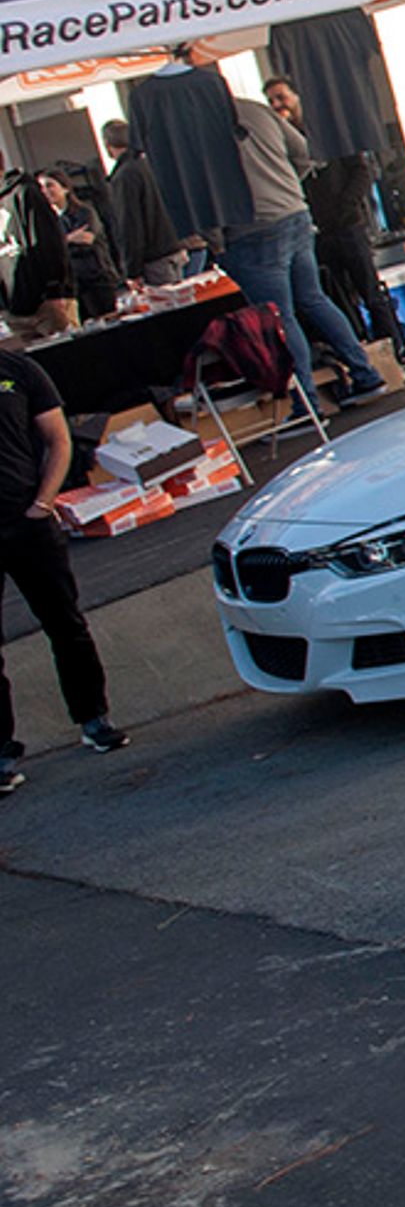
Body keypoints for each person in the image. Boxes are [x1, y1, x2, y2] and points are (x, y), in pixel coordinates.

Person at [0, 346, 128, 792]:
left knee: (65, 623)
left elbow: (58, 438)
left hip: (27, 521)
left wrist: (44, 502)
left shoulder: (17, 370)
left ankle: (94, 718)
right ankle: (2, 752)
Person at [218, 87, 386, 414]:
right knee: (313, 299)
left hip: (254, 228)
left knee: (280, 317)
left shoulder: (202, 131)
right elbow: (306, 153)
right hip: (294, 215)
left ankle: (306, 403)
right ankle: (366, 373)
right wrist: (287, 185)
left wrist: (215, 239)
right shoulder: (256, 110)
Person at [266, 78, 398, 347]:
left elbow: (361, 170)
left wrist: (346, 205)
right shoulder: (280, 142)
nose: (278, 105)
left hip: (347, 225)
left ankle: (394, 346)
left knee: (370, 291)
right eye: (272, 101)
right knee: (337, 297)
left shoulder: (329, 132)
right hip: (315, 231)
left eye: (282, 97)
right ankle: (363, 348)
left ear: (297, 95)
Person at [100, 118, 185, 285]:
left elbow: (129, 224)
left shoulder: (124, 176)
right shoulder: (151, 165)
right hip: (175, 246)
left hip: (154, 256)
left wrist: (132, 270)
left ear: (107, 144)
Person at [31, 172, 118, 321]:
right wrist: (69, 239)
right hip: (73, 286)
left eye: (49, 185)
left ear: (65, 188)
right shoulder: (50, 222)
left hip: (97, 279)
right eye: (41, 188)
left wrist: (61, 243)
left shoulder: (84, 212)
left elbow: (86, 240)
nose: (45, 191)